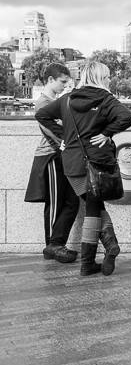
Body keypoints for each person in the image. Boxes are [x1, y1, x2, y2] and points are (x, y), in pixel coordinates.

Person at [36, 61, 131, 276]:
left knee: (94, 205)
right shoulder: (106, 99)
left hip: (73, 163)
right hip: (98, 161)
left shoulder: (67, 99)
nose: (109, 80)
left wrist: (64, 136)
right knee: (94, 206)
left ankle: (89, 262)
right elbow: (127, 117)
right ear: (101, 78)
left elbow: (41, 115)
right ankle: (107, 247)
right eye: (107, 76)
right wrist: (108, 132)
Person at [25, 63, 80, 264]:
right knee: (55, 204)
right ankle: (53, 246)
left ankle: (57, 244)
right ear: (50, 80)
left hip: (60, 156)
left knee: (72, 202)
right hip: (51, 157)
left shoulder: (54, 102)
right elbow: (55, 135)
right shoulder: (44, 104)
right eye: (62, 82)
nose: (65, 86)